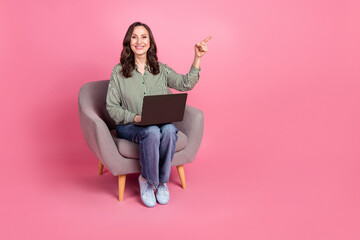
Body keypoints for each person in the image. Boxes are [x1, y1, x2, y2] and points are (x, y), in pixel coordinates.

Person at [106, 21, 212, 207]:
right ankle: (146, 181)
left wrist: (197, 58)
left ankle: (162, 183)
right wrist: (137, 118)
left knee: (170, 131)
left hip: (159, 122)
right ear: (129, 42)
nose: (139, 41)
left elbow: (185, 83)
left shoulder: (160, 69)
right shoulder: (119, 72)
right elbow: (112, 107)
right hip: (130, 126)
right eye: (134, 37)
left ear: (150, 42)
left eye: (144, 37)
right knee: (152, 131)